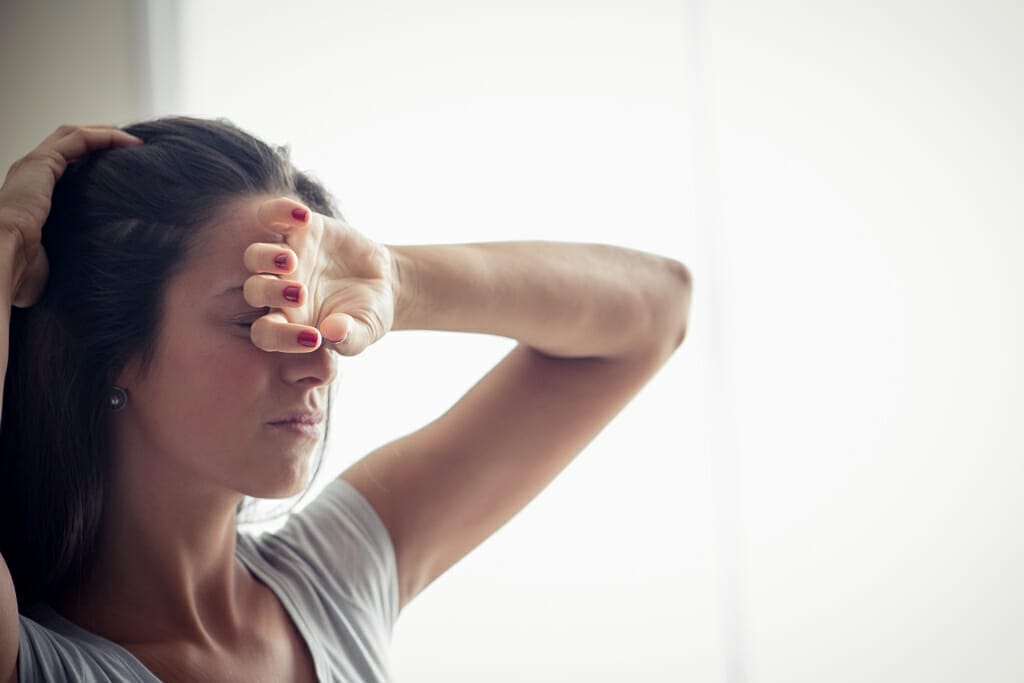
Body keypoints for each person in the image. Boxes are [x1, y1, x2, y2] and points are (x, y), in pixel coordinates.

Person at [0, 117, 692, 682]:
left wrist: (398, 279)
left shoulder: (333, 578)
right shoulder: (41, 663)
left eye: (312, 314)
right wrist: (5, 241)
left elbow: (658, 309)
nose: (319, 364)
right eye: (256, 321)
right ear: (113, 347)